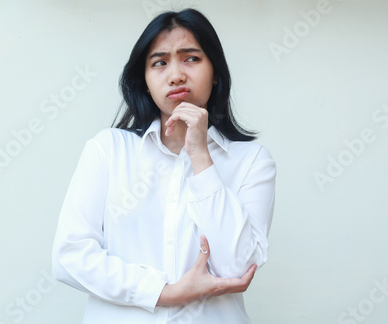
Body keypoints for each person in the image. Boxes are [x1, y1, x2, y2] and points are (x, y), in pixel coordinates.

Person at [52, 8, 276, 324]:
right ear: (144, 81)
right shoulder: (109, 150)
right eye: (159, 63)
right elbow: (70, 256)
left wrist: (200, 157)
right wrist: (165, 292)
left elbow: (237, 268)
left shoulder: (252, 160)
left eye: (191, 58)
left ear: (215, 72)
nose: (175, 75)